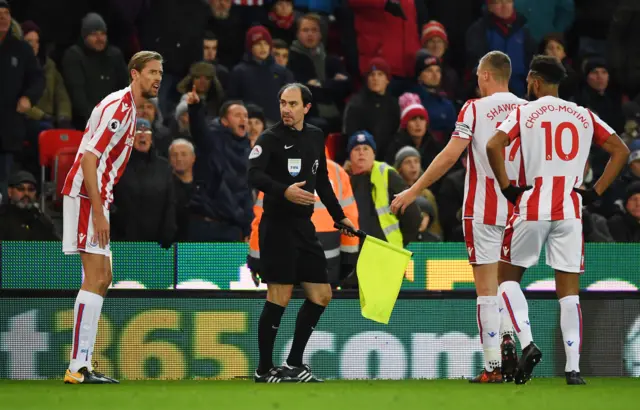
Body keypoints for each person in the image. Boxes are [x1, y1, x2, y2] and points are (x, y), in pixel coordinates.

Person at [485, 55, 630, 385]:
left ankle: (527, 343)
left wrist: (508, 188)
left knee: (506, 278)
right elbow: (620, 150)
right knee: (569, 294)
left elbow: (494, 145)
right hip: (570, 209)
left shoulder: (524, 112)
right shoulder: (583, 114)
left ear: (535, 81)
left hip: (533, 205)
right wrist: (593, 192)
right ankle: (573, 369)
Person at [393, 51, 526, 383]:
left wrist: (413, 190)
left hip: (482, 210)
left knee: (485, 290)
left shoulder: (473, 108)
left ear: (484, 75)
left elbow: (450, 155)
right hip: (520, 211)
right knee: (507, 285)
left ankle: (493, 366)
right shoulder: (528, 110)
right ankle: (511, 335)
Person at [60, 51, 163, 384]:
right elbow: (89, 158)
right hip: (86, 195)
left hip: (97, 196)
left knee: (103, 277)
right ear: (135, 74)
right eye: (151, 72)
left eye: (160, 73)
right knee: (94, 277)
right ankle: (76, 367)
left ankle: (83, 364)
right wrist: (99, 210)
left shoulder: (131, 109)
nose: (158, 78)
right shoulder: (118, 108)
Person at [248, 83, 357, 383]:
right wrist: (284, 192)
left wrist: (340, 217)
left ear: (306, 108)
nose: (286, 109)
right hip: (278, 227)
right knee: (279, 296)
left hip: (303, 228)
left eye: (293, 104)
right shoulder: (270, 138)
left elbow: (321, 180)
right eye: (283, 103)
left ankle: (294, 364)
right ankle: (263, 369)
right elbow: (253, 174)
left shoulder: (315, 136)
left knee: (322, 295)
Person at [249, 152, 360, 286]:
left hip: (288, 254)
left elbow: (262, 218)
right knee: (323, 302)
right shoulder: (337, 171)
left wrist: (256, 257)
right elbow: (349, 217)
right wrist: (349, 257)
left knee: (288, 302)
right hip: (328, 256)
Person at [0, 1, 44, 199]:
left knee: (4, 183)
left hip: (8, 128)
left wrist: (28, 97)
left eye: (6, 13)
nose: (3, 17)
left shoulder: (21, 49)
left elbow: (37, 79)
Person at [110, 118, 176, 248]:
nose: (142, 135)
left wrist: (168, 233)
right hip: (123, 242)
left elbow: (170, 203)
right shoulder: (117, 165)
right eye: (137, 131)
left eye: (147, 132)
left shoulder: (164, 167)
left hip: (157, 243)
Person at [348, 130, 421, 247]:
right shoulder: (343, 178)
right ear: (350, 155)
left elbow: (412, 214)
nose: (361, 153)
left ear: (374, 154)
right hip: (353, 250)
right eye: (357, 149)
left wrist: (402, 244)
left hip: (386, 249)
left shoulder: (386, 174)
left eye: (366, 148)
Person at [62, 13, 129, 129]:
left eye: (103, 34)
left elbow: (125, 88)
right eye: (94, 34)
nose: (100, 39)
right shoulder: (74, 56)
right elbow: (77, 95)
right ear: (84, 37)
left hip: (115, 118)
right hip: (85, 121)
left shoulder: (114, 55)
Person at [0, 170, 59, 241]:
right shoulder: (2, 218)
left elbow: (56, 249)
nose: (26, 193)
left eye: (31, 189)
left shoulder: (42, 220)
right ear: (9, 192)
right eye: (21, 189)